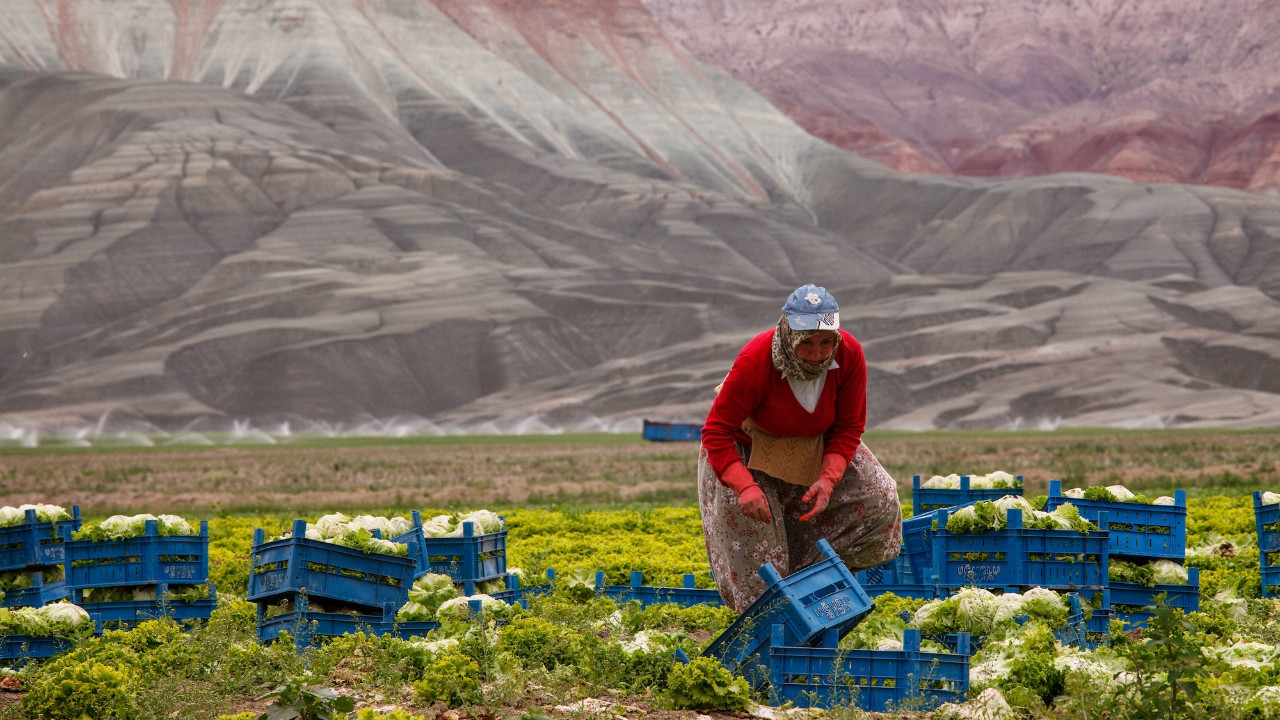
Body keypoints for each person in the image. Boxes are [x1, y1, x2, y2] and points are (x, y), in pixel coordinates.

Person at [698, 283, 902, 612]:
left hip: (814, 445)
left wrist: (828, 478)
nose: (818, 353)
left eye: (826, 342)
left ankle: (811, 587)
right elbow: (716, 431)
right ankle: (771, 627)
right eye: (807, 343)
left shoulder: (848, 353)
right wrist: (744, 487)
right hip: (748, 451)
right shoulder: (756, 359)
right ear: (790, 335)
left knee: (880, 498)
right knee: (757, 560)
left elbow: (849, 426)